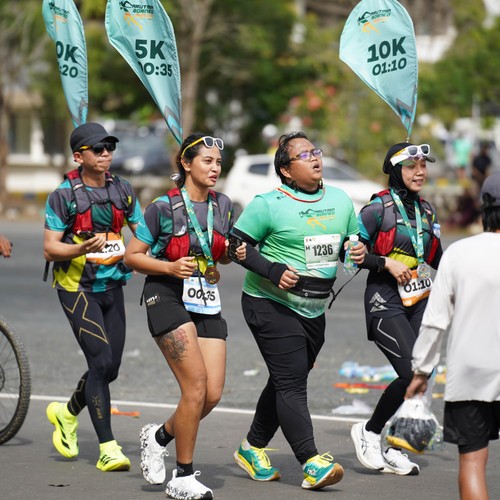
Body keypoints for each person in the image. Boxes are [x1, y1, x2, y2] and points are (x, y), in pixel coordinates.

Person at [230, 131, 364, 490]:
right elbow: (235, 245)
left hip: (314, 308)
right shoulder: (268, 204)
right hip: (269, 303)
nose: (314, 158)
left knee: (285, 378)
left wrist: (355, 251)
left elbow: (350, 243)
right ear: (286, 170)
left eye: (315, 151)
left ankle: (251, 447)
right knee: (291, 382)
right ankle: (311, 461)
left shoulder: (340, 200)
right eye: (304, 155)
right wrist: (271, 270)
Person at [124, 133, 244, 500]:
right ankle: (183, 476)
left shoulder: (224, 205)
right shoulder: (162, 208)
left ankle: (158, 436)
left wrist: (231, 253)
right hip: (166, 293)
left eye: (218, 162)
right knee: (194, 386)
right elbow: (132, 256)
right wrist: (169, 266)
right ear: (186, 164)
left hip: (205, 296)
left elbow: (220, 255)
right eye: (207, 161)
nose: (215, 168)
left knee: (212, 394)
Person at [43, 122, 142, 472]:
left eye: (109, 147)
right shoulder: (63, 195)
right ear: (78, 156)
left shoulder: (123, 190)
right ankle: (108, 448)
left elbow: (143, 233)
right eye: (97, 149)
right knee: (100, 363)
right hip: (76, 288)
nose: (105, 154)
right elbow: (50, 248)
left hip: (112, 286)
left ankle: (66, 412)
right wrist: (82, 248)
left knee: (110, 368)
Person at [406, 171, 500, 500]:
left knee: (472, 461)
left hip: (471, 374)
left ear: (484, 208)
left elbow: (435, 322)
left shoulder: (459, 253)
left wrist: (421, 371)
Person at [350, 142, 443, 476]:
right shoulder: (377, 209)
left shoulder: (427, 211)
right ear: (394, 170)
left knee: (423, 371)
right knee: (410, 371)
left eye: (423, 165)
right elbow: (350, 255)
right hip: (384, 300)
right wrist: (385, 262)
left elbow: (438, 258)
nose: (420, 172)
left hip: (419, 301)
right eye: (411, 166)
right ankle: (369, 431)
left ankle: (394, 445)